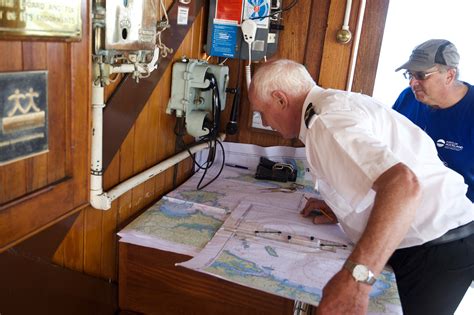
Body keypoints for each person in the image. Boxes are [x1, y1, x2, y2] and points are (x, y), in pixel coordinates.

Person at [248, 59, 474, 315]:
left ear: (280, 99)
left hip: (436, 249)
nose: (265, 122)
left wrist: (356, 280)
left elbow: (402, 184)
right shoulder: (335, 103)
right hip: (443, 238)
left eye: (261, 112)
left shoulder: (326, 122)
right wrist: (343, 209)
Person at [393, 39, 474, 202]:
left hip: (462, 212)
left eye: (421, 75)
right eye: (410, 74)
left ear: (449, 75)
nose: (412, 83)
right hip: (407, 198)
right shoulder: (408, 97)